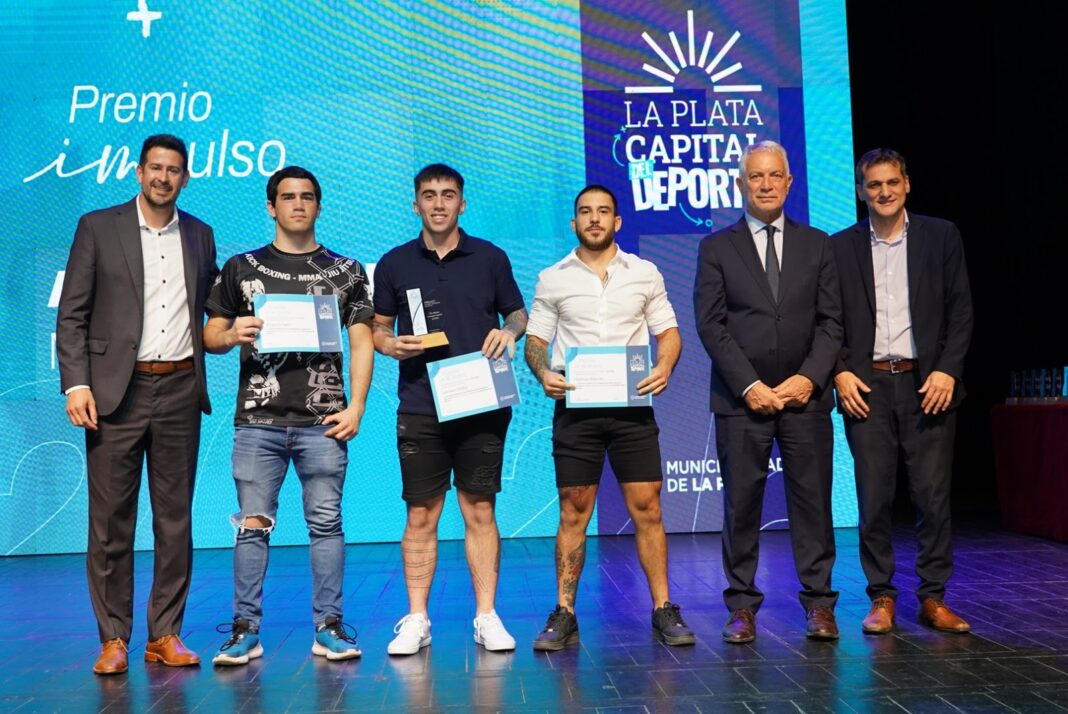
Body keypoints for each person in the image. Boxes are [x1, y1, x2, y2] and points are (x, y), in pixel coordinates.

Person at [57, 134, 218, 674]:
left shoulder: (200, 235)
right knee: (110, 521)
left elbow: (208, 316)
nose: (163, 177)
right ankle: (113, 639)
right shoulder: (98, 227)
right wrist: (76, 384)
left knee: (175, 521)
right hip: (112, 395)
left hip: (178, 391)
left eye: (174, 170)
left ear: (185, 177)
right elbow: (72, 314)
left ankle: (164, 634)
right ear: (138, 171)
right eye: (155, 167)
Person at [203, 166, 374, 664]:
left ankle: (329, 627)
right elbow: (211, 334)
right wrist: (232, 334)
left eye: (307, 197)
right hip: (258, 422)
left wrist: (357, 405)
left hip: (324, 421)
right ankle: (245, 630)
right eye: (287, 197)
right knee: (252, 525)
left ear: (319, 206)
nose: (298, 204)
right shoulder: (242, 267)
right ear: (271, 206)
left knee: (326, 523)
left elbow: (362, 341)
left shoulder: (346, 270)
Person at [525, 184, 696, 651]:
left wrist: (664, 366)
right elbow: (536, 341)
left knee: (649, 510)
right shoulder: (553, 277)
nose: (594, 219)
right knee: (573, 512)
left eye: (603, 212)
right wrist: (543, 373)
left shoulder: (645, 272)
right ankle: (564, 613)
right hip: (575, 411)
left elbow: (670, 332)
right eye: (585, 212)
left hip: (631, 411)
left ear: (617, 222)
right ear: (574, 222)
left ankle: (663, 608)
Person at [372, 163, 527, 655]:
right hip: (420, 404)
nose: (438, 203)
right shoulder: (394, 263)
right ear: (414, 203)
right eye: (429, 195)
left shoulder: (491, 257)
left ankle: (487, 616)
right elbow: (376, 327)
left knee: (480, 509)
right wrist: (388, 345)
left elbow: (518, 313)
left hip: (481, 402)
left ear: (463, 202)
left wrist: (511, 332)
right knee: (421, 514)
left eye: (448, 195)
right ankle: (417, 618)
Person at [693, 140, 843, 644]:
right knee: (741, 505)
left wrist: (810, 377)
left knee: (813, 504)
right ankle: (741, 607)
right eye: (755, 177)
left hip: (807, 399)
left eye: (774, 175)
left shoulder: (819, 244)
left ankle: (820, 605)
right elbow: (710, 325)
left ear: (788, 182)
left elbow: (831, 322)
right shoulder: (716, 247)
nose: (765, 184)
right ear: (741, 184)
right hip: (742, 402)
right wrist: (750, 385)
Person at [832, 148, 973, 634]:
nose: (884, 192)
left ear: (907, 184)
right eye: (874, 185)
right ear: (860, 191)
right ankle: (882, 597)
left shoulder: (941, 235)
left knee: (932, 498)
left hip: (926, 383)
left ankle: (933, 598)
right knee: (873, 499)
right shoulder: (840, 246)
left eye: (892, 182)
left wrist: (948, 370)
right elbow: (826, 321)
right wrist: (839, 371)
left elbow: (961, 311)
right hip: (866, 387)